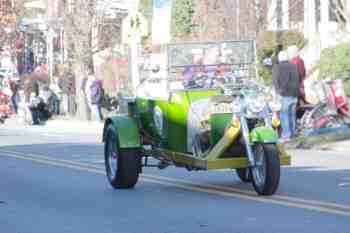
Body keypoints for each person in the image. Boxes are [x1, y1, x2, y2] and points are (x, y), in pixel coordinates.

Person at [272, 51, 300, 141]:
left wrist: (277, 92)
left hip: (284, 94)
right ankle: (294, 133)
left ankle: (286, 135)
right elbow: (298, 78)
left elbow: (275, 81)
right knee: (292, 114)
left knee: (284, 115)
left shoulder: (278, 67)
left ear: (279, 59)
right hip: (294, 94)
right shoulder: (294, 66)